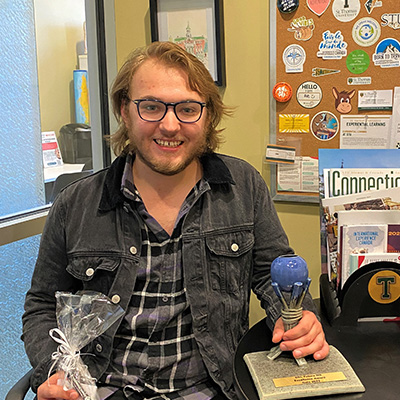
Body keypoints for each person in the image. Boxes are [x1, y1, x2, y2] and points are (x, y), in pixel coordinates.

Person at [22, 41, 329, 400]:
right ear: (125, 110)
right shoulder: (76, 203)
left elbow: (273, 276)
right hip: (100, 390)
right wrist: (55, 372)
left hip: (212, 389)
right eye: (151, 106)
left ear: (208, 115)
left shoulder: (243, 188)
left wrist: (298, 319)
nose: (169, 126)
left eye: (187, 109)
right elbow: (41, 306)